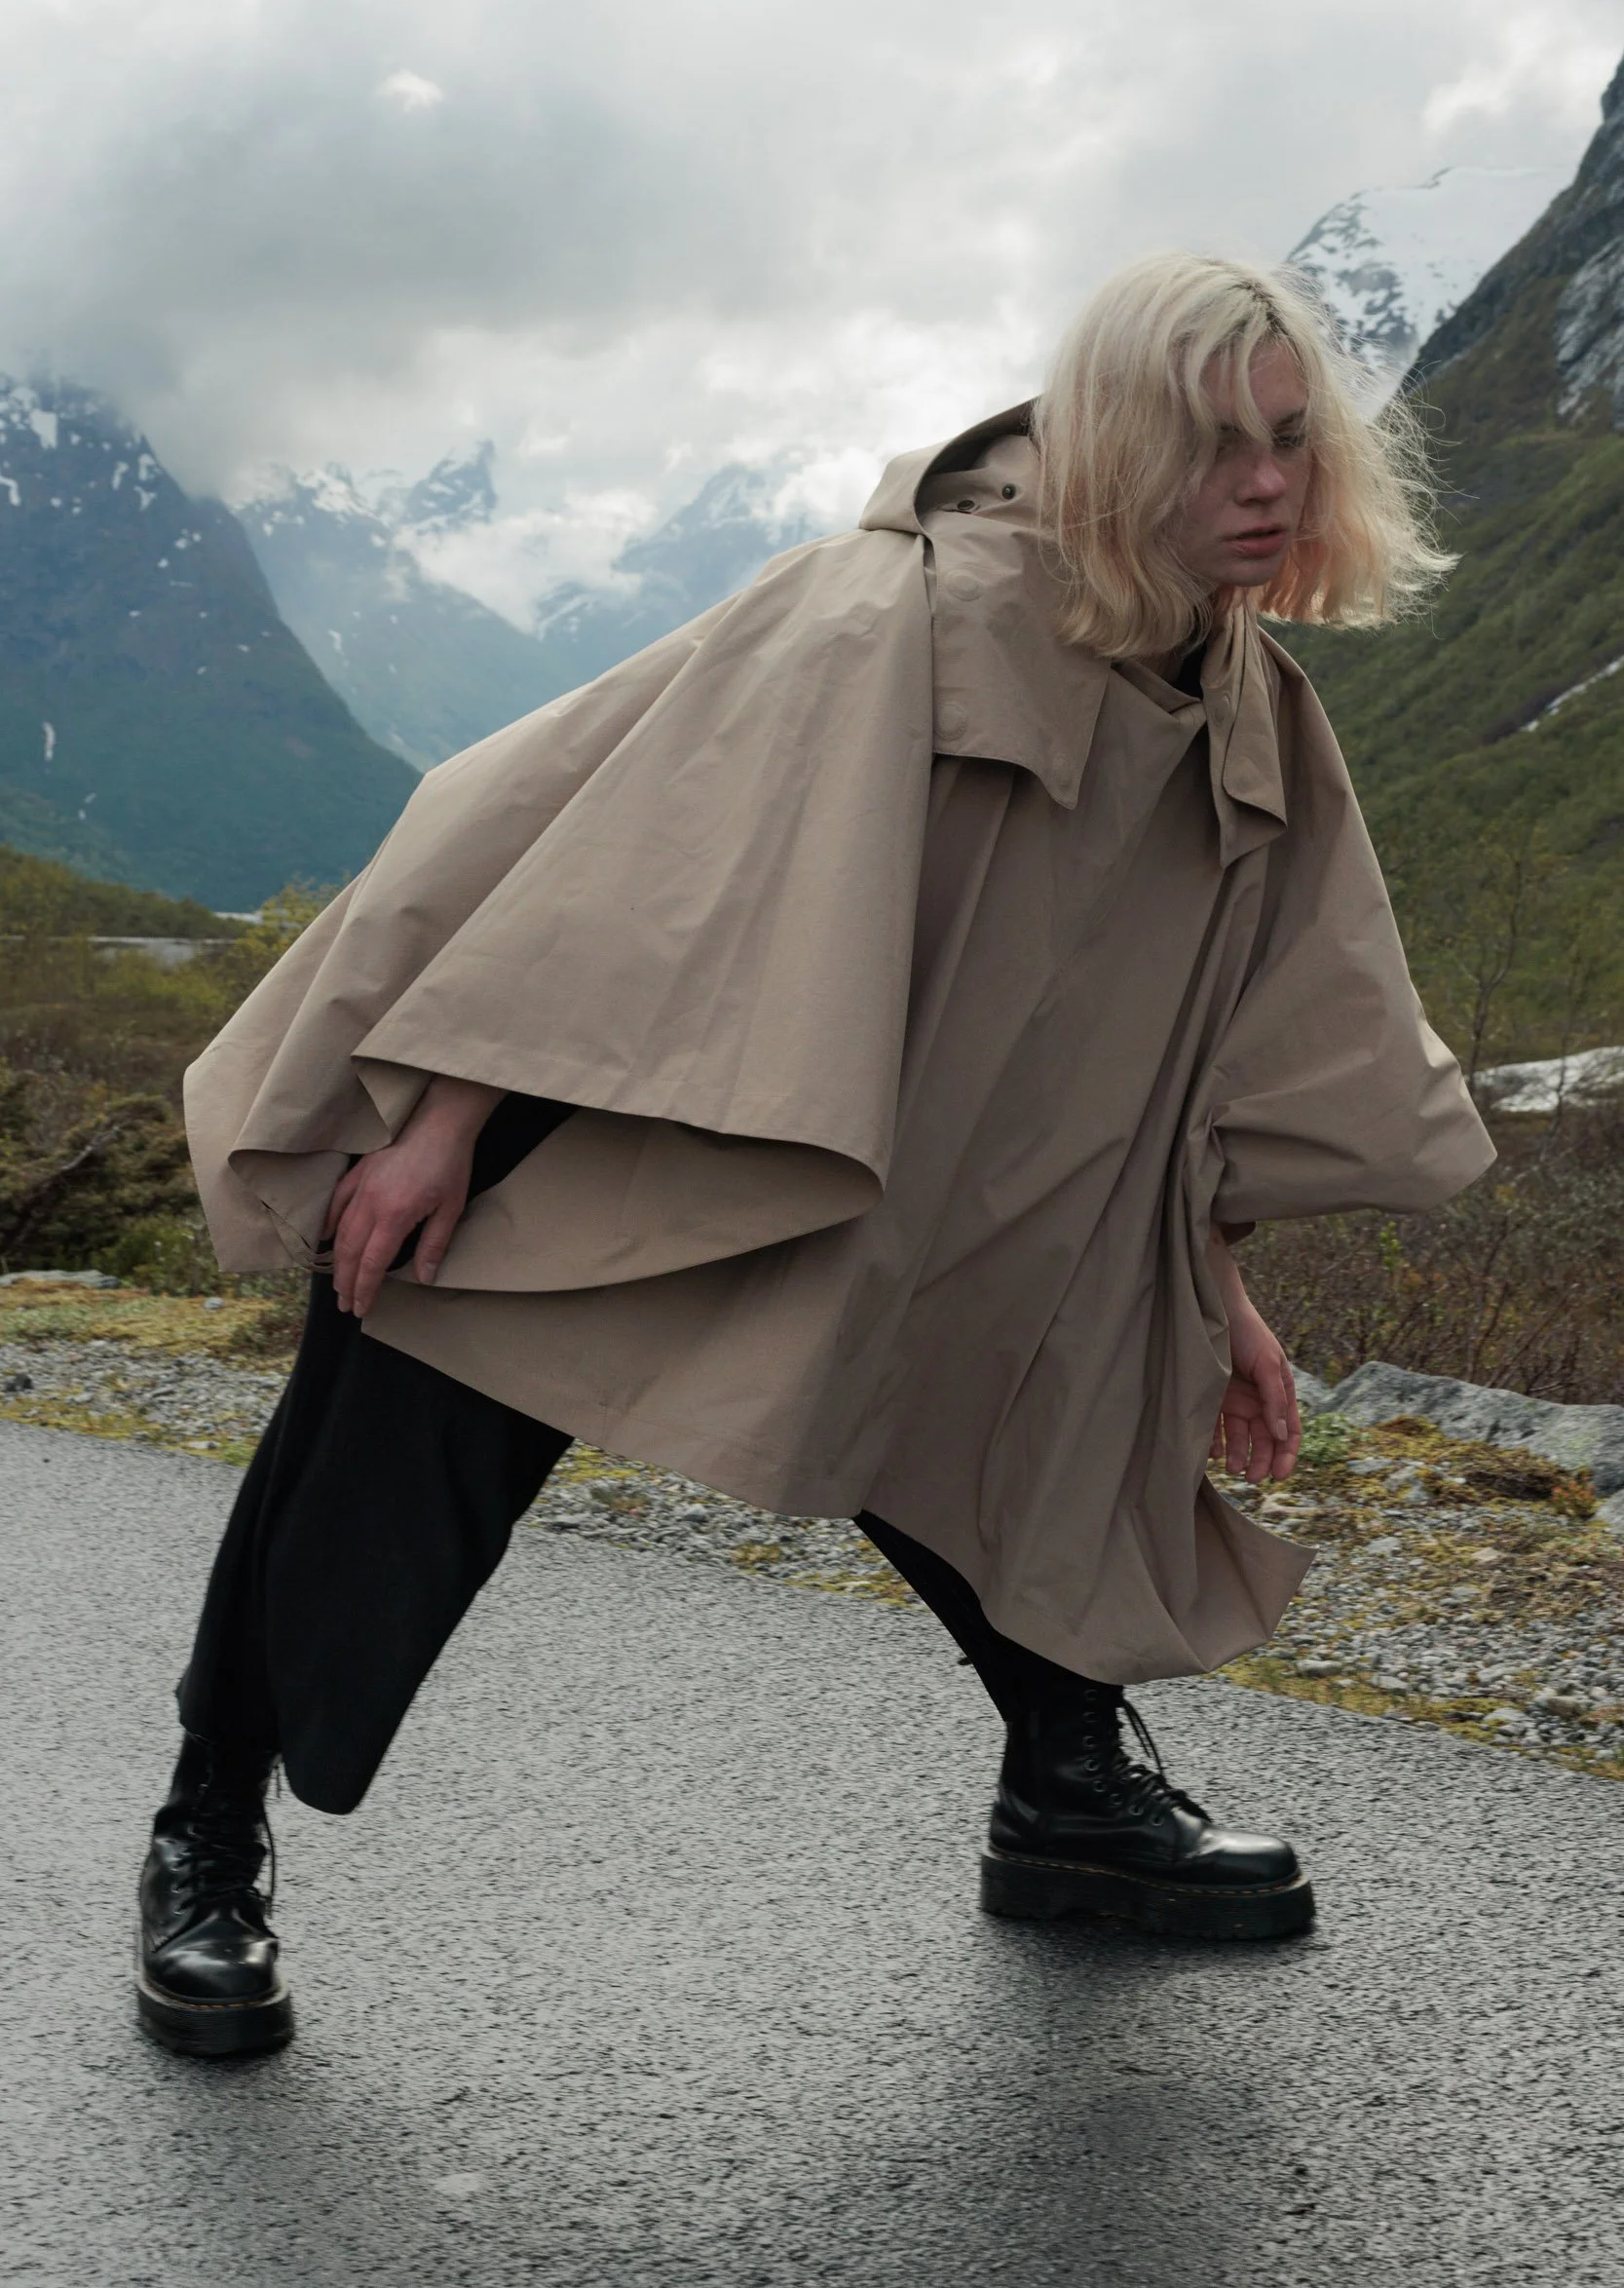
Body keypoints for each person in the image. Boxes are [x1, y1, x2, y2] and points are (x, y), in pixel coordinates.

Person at [137, 252, 1492, 2057]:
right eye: (1208, 444)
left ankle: (1068, 1797)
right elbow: (624, 855)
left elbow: (1188, 1044)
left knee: (1029, 1401)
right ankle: (204, 1838)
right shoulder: (897, 612)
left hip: (922, 1174)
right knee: (388, 1436)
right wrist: (447, 1121)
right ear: (1102, 445)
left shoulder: (1242, 703)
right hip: (608, 1105)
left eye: (1284, 439)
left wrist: (1216, 1290)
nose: (1261, 483)